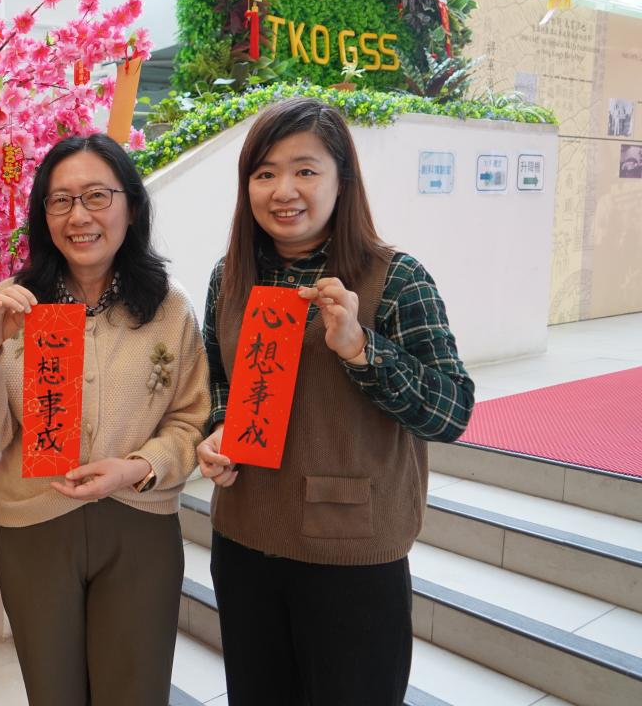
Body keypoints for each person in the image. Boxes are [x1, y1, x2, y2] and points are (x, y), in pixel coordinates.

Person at [197, 97, 474, 705]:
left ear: (342, 180)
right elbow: (218, 382)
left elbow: (452, 411)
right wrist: (216, 431)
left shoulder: (396, 278)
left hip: (353, 556)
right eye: (265, 173)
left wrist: (362, 349)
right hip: (244, 541)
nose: (283, 190)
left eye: (305, 169)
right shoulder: (230, 276)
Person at [0, 133, 210, 705]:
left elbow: (192, 421)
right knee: (54, 694)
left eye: (97, 196)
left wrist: (138, 467)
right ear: (44, 216)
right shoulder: (13, 304)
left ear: (131, 207)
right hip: (35, 530)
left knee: (135, 693)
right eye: (60, 200)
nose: (79, 216)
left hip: (139, 526)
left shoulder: (170, 307)